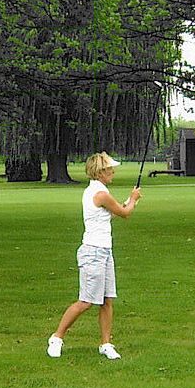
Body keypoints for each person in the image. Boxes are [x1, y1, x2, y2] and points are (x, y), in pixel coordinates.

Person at [47, 152, 141, 360]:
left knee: (107, 300)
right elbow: (124, 214)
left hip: (104, 251)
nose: (113, 172)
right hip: (93, 252)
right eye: (109, 170)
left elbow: (115, 213)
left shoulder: (98, 191)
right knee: (86, 301)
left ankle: (106, 344)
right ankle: (57, 337)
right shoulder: (100, 194)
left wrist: (129, 202)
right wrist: (133, 199)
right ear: (100, 172)